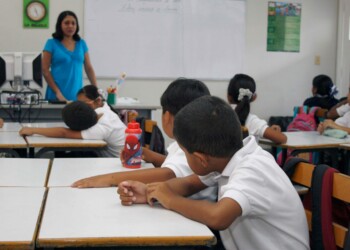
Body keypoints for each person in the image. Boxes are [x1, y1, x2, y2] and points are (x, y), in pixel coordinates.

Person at [118, 96, 310, 250]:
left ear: (201, 158)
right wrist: (150, 191)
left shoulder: (252, 170)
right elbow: (190, 183)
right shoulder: (228, 157)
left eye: (184, 153)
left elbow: (218, 217)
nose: (184, 157)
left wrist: (170, 200)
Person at [71, 78, 217, 202]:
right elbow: (175, 166)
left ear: (166, 116)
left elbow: (168, 174)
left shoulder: (190, 146)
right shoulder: (193, 141)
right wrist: (148, 154)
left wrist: (108, 179)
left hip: (193, 222)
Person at [19, 100, 125, 157]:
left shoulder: (100, 130)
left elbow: (63, 133)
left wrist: (33, 130)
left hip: (119, 164)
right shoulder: (103, 112)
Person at [42, 10, 97, 102]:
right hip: (57, 96)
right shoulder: (51, 43)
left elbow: (89, 68)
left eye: (73, 23)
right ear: (60, 25)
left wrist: (96, 90)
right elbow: (45, 70)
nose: (70, 26)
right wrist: (57, 92)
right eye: (66, 23)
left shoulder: (81, 44)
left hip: (77, 96)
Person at [227, 73, 287, 144]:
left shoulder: (218, 115)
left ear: (228, 96)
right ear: (254, 97)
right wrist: (271, 132)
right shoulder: (253, 121)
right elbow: (282, 139)